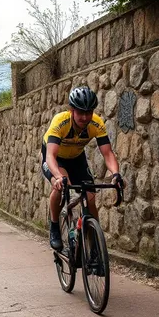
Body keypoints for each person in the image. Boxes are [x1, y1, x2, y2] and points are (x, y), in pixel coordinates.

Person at [42, 86, 124, 251]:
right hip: (56, 160)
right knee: (61, 186)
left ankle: (94, 246)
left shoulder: (96, 123)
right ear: (72, 110)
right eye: (81, 112)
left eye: (89, 112)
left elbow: (107, 154)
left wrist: (116, 174)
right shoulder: (61, 121)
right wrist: (58, 177)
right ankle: (55, 226)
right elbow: (50, 155)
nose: (85, 117)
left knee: (90, 197)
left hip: (77, 159)